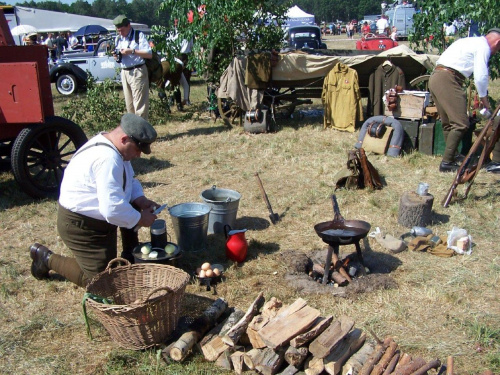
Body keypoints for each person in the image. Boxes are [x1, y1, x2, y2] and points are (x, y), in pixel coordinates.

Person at [29, 114, 159, 287]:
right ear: (124, 138)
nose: (138, 155)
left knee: (132, 207)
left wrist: (139, 198)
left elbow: (129, 179)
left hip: (98, 223)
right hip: (81, 227)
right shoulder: (108, 159)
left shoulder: (115, 148)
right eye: (138, 149)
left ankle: (129, 256)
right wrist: (141, 219)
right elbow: (112, 209)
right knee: (100, 283)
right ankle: (46, 258)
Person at [428, 28, 500, 173]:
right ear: (497, 42)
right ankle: (447, 162)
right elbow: (480, 75)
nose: (496, 52)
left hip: (437, 76)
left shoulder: (470, 41)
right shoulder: (483, 47)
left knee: (449, 123)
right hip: (448, 78)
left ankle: (452, 156)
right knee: (461, 123)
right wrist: (483, 98)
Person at [113, 14, 152, 120]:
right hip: (125, 72)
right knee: (129, 106)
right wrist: (116, 56)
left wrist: (132, 51)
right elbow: (118, 56)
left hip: (137, 71)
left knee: (140, 106)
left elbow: (149, 54)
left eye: (122, 30)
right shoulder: (118, 39)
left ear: (128, 26)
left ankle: (142, 134)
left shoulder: (138, 36)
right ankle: (133, 132)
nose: (120, 33)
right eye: (118, 31)